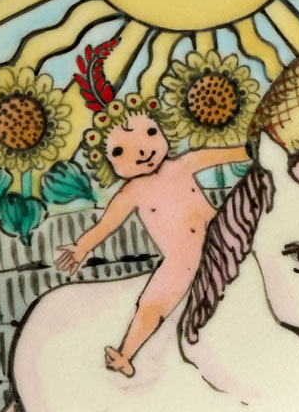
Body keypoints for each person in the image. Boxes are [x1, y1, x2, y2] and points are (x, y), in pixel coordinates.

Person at [54, 110, 246, 375]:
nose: (142, 150)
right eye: (120, 151)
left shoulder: (184, 163)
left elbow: (229, 154)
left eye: (150, 132)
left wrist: (255, 148)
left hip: (220, 234)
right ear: (107, 163)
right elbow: (106, 225)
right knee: (152, 304)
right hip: (182, 259)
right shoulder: (131, 193)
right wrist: (81, 247)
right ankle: (126, 355)